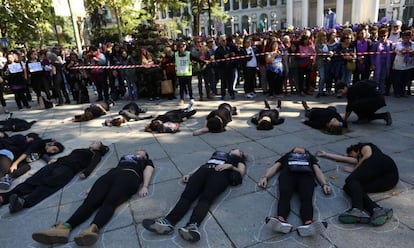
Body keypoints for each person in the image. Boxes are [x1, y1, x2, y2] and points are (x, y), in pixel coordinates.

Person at [32, 150, 154, 246]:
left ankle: (91, 230)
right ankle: (64, 228)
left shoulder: (145, 161)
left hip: (130, 175)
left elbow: (148, 171)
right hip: (111, 175)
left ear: (145, 155)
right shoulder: (124, 158)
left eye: (141, 151)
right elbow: (111, 171)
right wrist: (92, 186)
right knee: (89, 202)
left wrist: (145, 186)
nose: (138, 152)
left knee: (110, 202)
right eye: (137, 151)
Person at [142, 149, 246, 242]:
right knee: (186, 196)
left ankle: (192, 226)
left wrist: (231, 166)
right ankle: (168, 221)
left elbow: (241, 172)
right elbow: (203, 165)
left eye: (237, 150)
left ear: (241, 154)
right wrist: (190, 174)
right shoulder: (218, 154)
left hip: (221, 174)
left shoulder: (238, 159)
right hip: (203, 170)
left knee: (206, 199)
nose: (233, 150)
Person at [0, 141, 109, 213]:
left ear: (99, 148)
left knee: (47, 185)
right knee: (33, 180)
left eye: (96, 143)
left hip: (68, 169)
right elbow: (69, 156)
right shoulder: (83, 150)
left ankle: (23, 202)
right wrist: (56, 160)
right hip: (57, 164)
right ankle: (4, 198)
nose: (92, 142)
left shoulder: (96, 154)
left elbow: (94, 163)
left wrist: (86, 173)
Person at [316, 142, 398, 226]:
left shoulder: (365, 146)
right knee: (349, 187)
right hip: (386, 181)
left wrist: (355, 169)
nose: (351, 157)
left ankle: (357, 209)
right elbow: (344, 159)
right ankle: (376, 209)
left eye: (351, 154)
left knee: (351, 179)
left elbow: (367, 156)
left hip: (386, 168)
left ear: (353, 150)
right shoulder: (360, 158)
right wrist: (326, 154)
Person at [258, 146, 331, 236]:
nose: (299, 148)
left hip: (306, 177)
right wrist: (265, 177)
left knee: (307, 198)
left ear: (305, 152)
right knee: (284, 196)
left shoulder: (310, 157)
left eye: (302, 148)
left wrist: (324, 184)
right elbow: (275, 167)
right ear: (292, 151)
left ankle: (308, 223)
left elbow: (317, 171)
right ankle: (281, 221)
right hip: (288, 176)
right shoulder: (287, 156)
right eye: (296, 148)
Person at [0, 139, 65, 190]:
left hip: (15, 161)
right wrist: (15, 163)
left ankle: (7, 177)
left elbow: (44, 156)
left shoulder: (42, 152)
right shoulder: (39, 143)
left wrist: (49, 160)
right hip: (11, 154)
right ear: (52, 144)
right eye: (54, 149)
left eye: (55, 152)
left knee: (26, 167)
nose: (52, 151)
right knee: (3, 170)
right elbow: (27, 152)